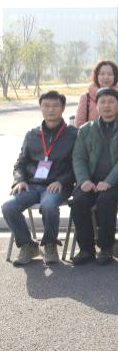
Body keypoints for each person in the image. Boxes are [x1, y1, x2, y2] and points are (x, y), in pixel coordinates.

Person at [3, 91, 77, 266]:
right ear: (40, 108)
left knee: (49, 205)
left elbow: (78, 165)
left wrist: (62, 181)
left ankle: (50, 244)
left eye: (55, 106)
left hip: (58, 185)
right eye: (46, 105)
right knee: (8, 207)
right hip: (31, 185)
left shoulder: (73, 134)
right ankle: (28, 245)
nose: (51, 110)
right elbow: (20, 163)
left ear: (63, 108)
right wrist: (19, 180)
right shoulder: (32, 134)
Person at [70, 87, 118, 265]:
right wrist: (83, 180)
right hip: (91, 180)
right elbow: (78, 158)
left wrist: (108, 182)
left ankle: (106, 248)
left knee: (106, 200)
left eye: (111, 102)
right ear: (97, 105)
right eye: (103, 102)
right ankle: (86, 249)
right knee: (79, 201)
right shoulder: (85, 129)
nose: (107, 106)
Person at [75, 60, 118, 128]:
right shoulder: (86, 98)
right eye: (102, 74)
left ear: (115, 76)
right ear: (96, 76)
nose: (106, 77)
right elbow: (79, 125)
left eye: (110, 74)